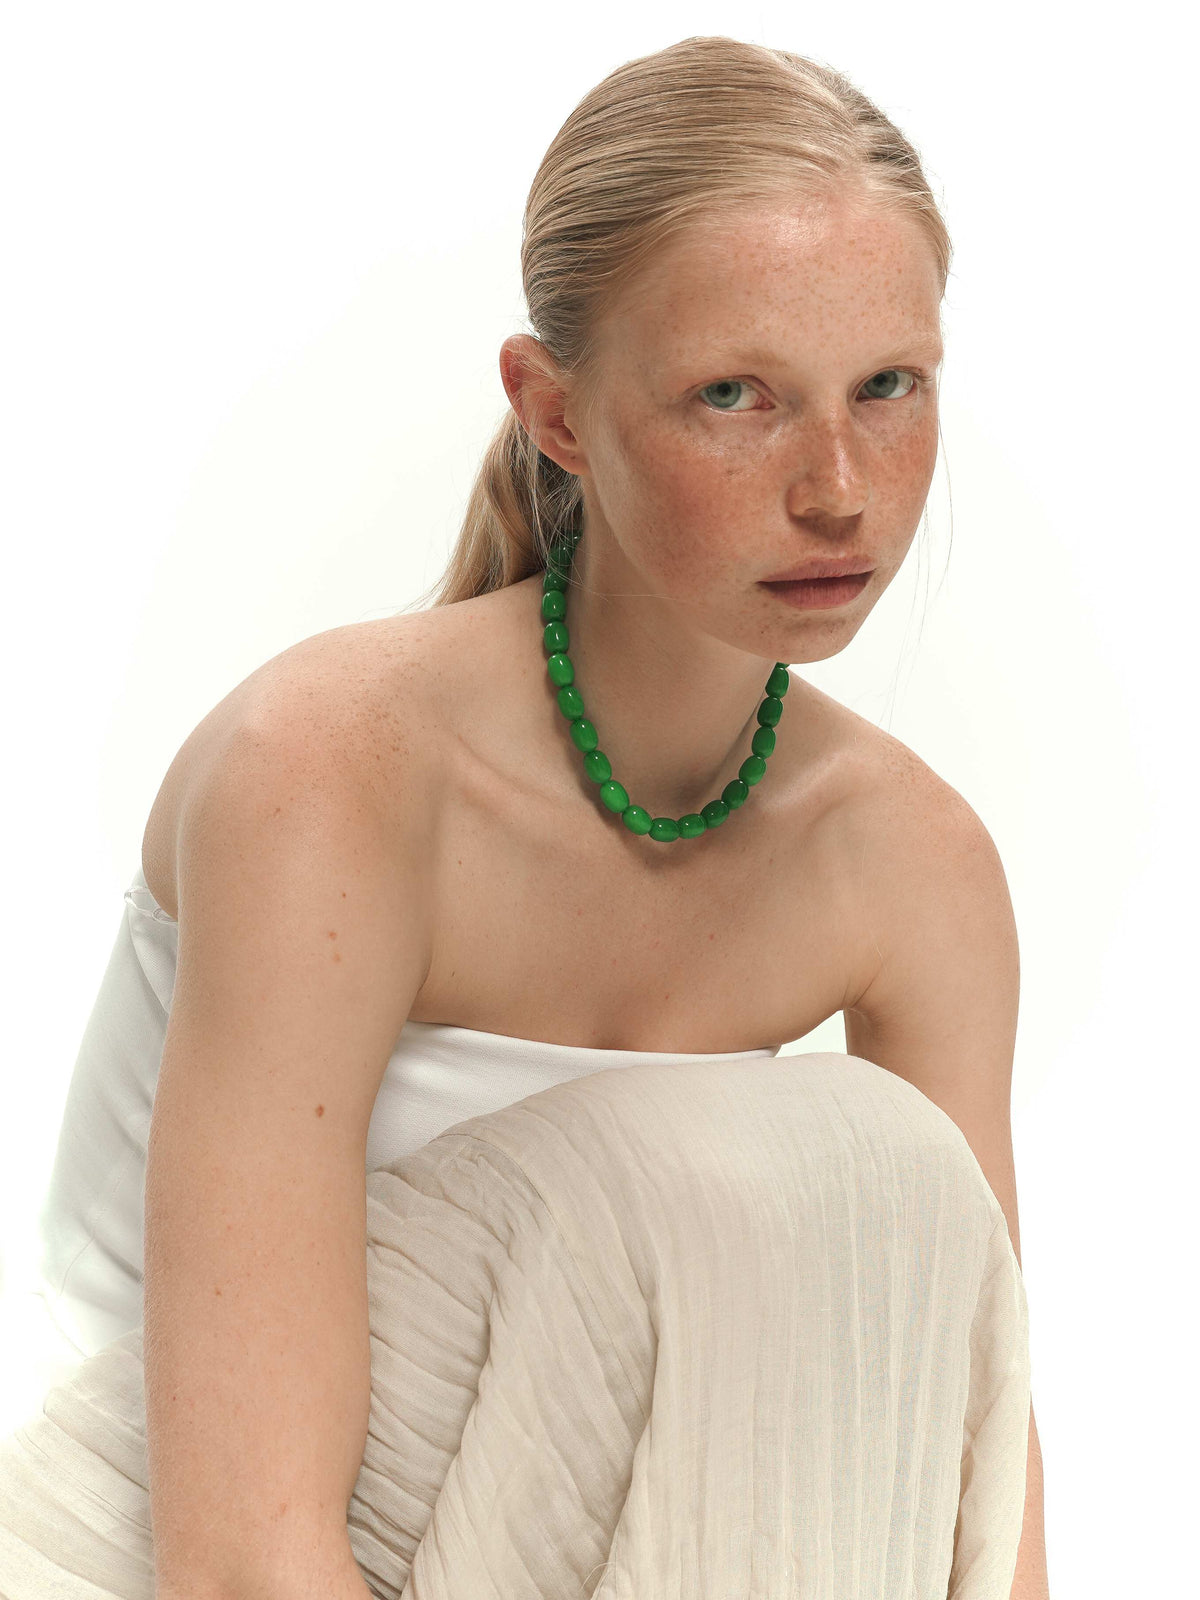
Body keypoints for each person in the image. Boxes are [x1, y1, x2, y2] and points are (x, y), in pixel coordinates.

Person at [0, 33, 1045, 1600]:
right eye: (735, 395)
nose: (839, 486)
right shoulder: (327, 780)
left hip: (608, 1546)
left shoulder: (911, 865)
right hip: (161, 1546)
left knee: (886, 1193)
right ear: (554, 411)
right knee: (827, 1164)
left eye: (888, 387)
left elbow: (976, 1453)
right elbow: (241, 1558)